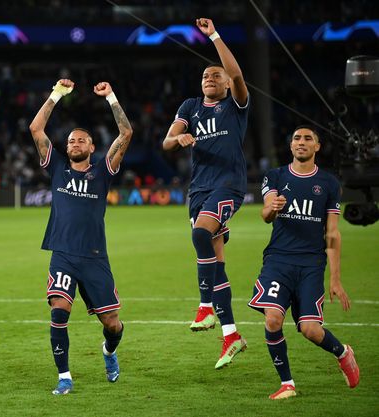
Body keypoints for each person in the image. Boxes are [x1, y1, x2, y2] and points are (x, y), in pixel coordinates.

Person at [29, 79, 133, 395]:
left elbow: (126, 134)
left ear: (91, 148)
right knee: (59, 312)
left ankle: (109, 352)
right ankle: (64, 377)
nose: (75, 143)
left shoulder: (102, 172)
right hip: (62, 253)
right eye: (71, 140)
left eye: (82, 141)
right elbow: (36, 129)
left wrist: (112, 97)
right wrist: (56, 94)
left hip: (94, 257)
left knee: (112, 324)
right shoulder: (57, 167)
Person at [248, 126, 360, 399]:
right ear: (291, 146)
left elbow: (332, 233)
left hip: (311, 264)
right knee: (273, 318)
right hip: (278, 260)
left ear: (317, 147)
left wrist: (335, 278)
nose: (301, 142)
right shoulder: (275, 176)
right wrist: (272, 209)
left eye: (308, 138)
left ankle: (343, 352)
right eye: (296, 138)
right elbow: (265, 214)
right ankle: (287, 384)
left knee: (310, 329)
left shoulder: (330, 184)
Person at [163, 17, 248, 369]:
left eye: (216, 76)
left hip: (228, 184)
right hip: (198, 189)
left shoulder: (235, 105)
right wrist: (179, 138)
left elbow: (238, 75)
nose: (209, 80)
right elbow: (166, 141)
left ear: (227, 84)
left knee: (200, 233)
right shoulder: (189, 107)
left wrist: (213, 35)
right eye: (205, 76)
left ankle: (205, 305)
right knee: (219, 267)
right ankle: (232, 336)